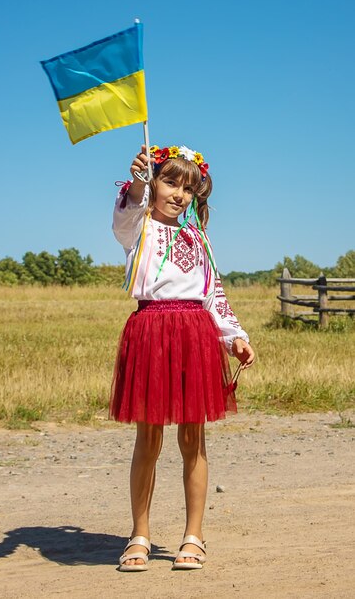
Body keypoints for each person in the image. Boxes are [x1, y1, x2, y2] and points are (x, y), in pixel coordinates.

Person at [110, 144, 255, 572]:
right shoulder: (137, 227)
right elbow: (124, 213)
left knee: (193, 438)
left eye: (188, 188)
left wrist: (234, 337)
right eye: (170, 182)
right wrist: (136, 184)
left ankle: (194, 536)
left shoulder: (198, 237)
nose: (179, 194)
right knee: (148, 439)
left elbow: (213, 293)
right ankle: (139, 534)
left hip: (195, 334)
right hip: (151, 332)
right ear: (153, 183)